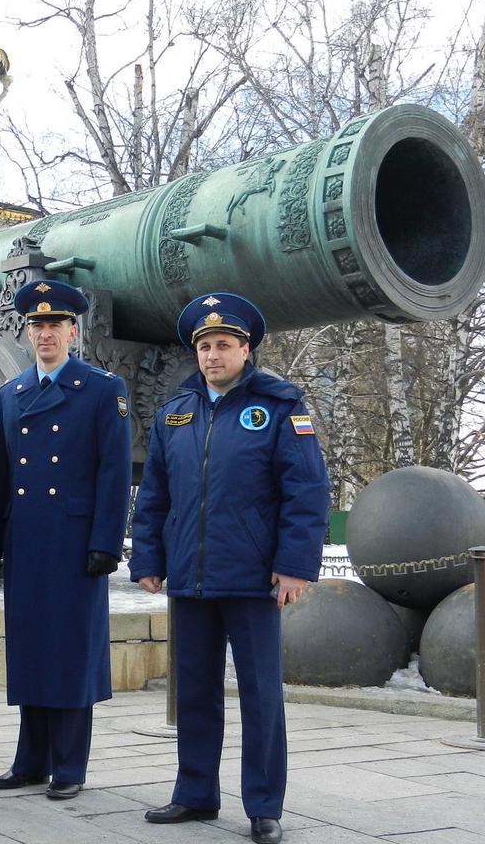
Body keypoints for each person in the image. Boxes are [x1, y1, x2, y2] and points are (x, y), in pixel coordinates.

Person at [129, 292, 330, 844]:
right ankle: (194, 793)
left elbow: (307, 492)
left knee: (261, 694)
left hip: (252, 578)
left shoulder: (281, 406)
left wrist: (293, 567)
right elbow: (154, 495)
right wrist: (148, 557)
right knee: (192, 691)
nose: (213, 356)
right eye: (205, 346)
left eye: (224, 345)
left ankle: (264, 805)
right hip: (191, 577)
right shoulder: (176, 411)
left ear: (245, 349)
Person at [0, 280, 132, 801]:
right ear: (27, 333)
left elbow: (113, 472)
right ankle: (30, 760)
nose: (46, 334)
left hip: (75, 541)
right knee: (30, 648)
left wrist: (107, 542)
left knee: (69, 651)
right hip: (25, 537)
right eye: (37, 326)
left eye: (55, 326)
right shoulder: (11, 393)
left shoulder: (100, 388)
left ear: (73, 330)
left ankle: (69, 763)